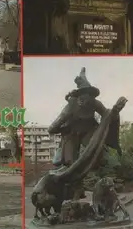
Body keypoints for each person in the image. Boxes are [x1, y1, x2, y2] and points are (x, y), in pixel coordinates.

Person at [49, 68, 126, 200]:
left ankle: (104, 185)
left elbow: (107, 116)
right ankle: (74, 190)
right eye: (84, 95)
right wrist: (64, 128)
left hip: (90, 131)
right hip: (71, 134)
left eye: (89, 95)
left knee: (97, 152)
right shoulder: (70, 107)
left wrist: (115, 109)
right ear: (78, 96)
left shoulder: (95, 103)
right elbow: (52, 128)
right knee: (70, 163)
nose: (86, 99)